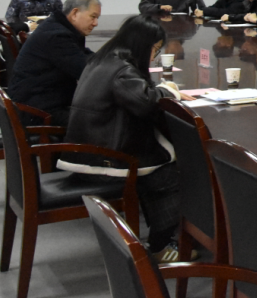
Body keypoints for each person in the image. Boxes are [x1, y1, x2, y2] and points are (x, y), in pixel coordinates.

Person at [56, 14, 192, 263]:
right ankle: (161, 245)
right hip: (104, 158)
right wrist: (168, 90)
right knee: (171, 174)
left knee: (162, 159)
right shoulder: (122, 70)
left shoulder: (104, 59)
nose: (155, 56)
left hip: (90, 148)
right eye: (155, 49)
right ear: (143, 45)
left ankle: (171, 236)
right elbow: (146, 103)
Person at [7, 0, 102, 126]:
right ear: (75, 13)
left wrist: (110, 60)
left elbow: (84, 55)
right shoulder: (57, 35)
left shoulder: (57, 26)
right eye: (93, 17)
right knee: (105, 121)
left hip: (38, 103)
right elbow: (86, 71)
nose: (96, 23)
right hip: (38, 112)